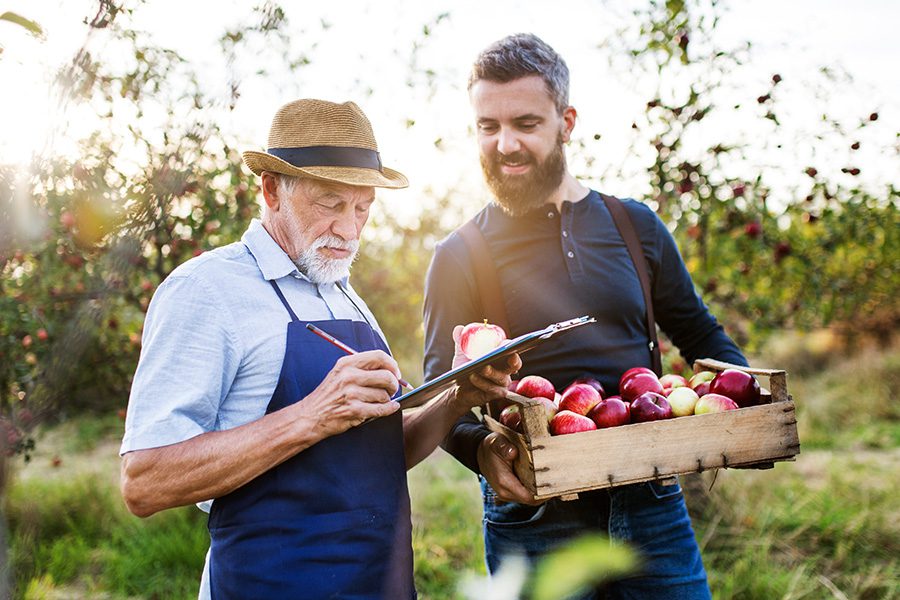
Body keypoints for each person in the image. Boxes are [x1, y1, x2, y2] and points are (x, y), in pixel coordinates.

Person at [119, 98, 520, 600]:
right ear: (271, 190)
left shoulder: (343, 292)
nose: (349, 230)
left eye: (362, 208)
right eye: (330, 203)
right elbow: (144, 481)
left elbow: (375, 456)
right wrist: (312, 416)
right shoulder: (207, 290)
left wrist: (458, 398)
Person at [423, 34, 749, 599]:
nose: (505, 144)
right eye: (487, 126)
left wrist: (740, 408)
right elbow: (439, 393)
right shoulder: (460, 255)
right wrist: (480, 450)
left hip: (651, 499)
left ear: (566, 121)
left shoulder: (635, 226)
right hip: (536, 509)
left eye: (526, 123)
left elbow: (699, 332)